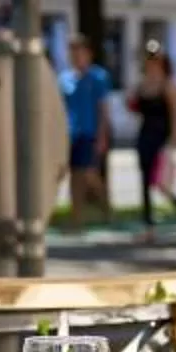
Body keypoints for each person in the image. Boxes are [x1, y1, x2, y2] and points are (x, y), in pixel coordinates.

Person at [131, 43, 176, 237]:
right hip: (145, 136)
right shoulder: (142, 86)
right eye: (149, 60)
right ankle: (149, 226)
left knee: (161, 183)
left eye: (155, 60)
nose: (152, 64)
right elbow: (134, 107)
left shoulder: (168, 86)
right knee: (145, 181)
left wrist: (173, 142)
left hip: (162, 139)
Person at [58, 36, 112, 219]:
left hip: (90, 132)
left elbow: (103, 109)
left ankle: (105, 207)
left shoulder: (98, 77)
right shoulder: (64, 79)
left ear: (88, 54)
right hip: (71, 133)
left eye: (79, 52)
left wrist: (102, 135)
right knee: (75, 175)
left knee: (89, 173)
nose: (76, 56)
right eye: (73, 53)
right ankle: (76, 216)